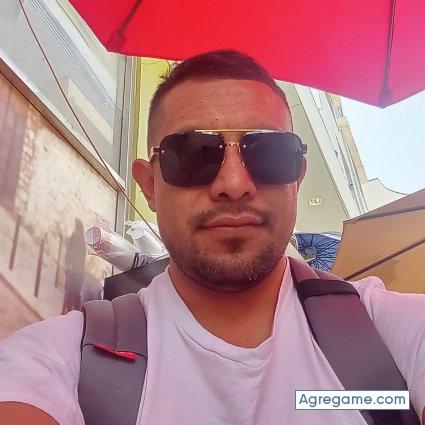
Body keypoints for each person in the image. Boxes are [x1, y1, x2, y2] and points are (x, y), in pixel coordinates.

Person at [0, 50, 424, 425]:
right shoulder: (58, 360)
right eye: (193, 154)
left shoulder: (391, 333)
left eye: (268, 153)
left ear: (297, 177)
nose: (234, 184)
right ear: (150, 185)